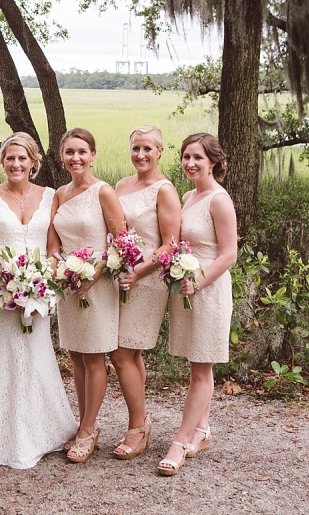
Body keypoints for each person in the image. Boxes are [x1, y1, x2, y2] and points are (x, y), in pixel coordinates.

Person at [0, 132, 78, 470]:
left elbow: (53, 247)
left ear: (33, 161)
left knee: (36, 357)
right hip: (3, 293)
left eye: (22, 158)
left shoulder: (50, 196)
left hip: (40, 291)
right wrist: (4, 281)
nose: (15, 164)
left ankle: (41, 432)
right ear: (2, 161)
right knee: (2, 359)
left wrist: (43, 279)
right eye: (10, 158)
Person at [157, 132, 237, 476]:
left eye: (197, 158)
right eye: (186, 157)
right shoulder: (189, 196)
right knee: (197, 366)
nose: (190, 163)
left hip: (209, 290)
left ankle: (179, 443)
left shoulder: (219, 200)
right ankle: (201, 430)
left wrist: (198, 282)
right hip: (186, 288)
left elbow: (229, 254)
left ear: (213, 162)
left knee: (202, 369)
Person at [48, 127, 126, 463]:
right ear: (61, 156)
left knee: (94, 357)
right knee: (75, 356)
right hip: (68, 284)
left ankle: (89, 428)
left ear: (93, 155)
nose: (76, 157)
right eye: (70, 152)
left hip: (98, 284)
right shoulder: (59, 194)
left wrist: (92, 275)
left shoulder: (103, 192)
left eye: (82, 151)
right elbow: (53, 243)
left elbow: (121, 242)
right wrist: (59, 270)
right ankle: (84, 423)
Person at [110, 126, 181, 460]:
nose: (140, 155)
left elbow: (171, 244)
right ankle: (141, 422)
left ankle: (137, 427)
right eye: (136, 148)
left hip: (148, 279)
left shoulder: (164, 190)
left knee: (121, 354)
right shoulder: (121, 185)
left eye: (147, 149)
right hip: (123, 276)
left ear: (160, 151)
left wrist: (137, 272)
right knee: (132, 353)